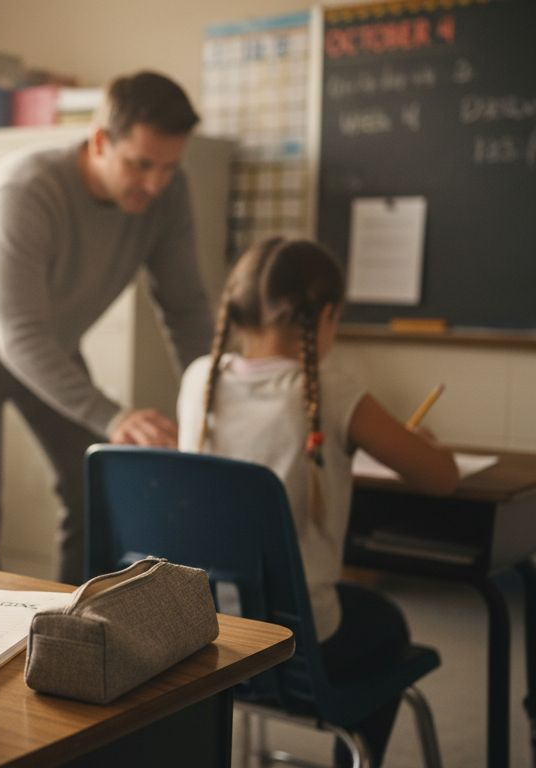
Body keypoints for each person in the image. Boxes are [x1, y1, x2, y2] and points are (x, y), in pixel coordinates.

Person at [0, 70, 214, 583]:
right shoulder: (26, 188)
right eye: (141, 165)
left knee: (91, 488)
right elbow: (18, 337)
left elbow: (185, 306)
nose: (155, 184)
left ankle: (74, 627)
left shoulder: (166, 193)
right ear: (100, 141)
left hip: (46, 342)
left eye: (169, 167)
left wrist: (210, 393)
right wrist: (115, 416)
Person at [176, 236, 458, 766]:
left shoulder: (199, 380)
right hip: (298, 643)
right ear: (325, 315)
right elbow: (441, 478)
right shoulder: (332, 390)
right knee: (386, 623)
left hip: (208, 629)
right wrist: (424, 446)